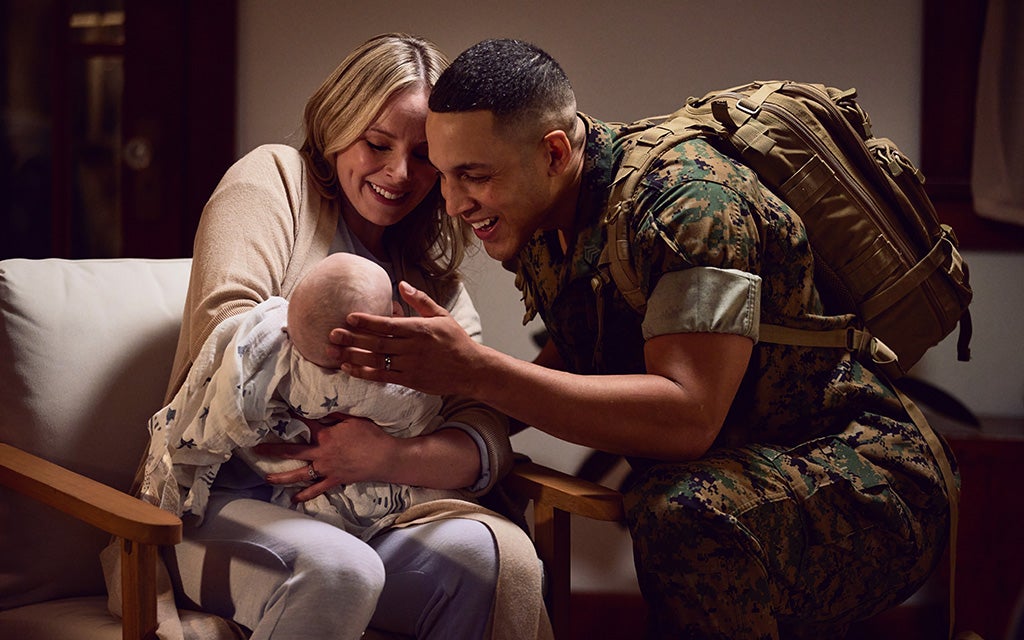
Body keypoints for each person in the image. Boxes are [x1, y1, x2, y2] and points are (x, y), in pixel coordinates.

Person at [330, 38, 958, 639]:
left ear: (553, 152)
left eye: (473, 175)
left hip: (864, 485)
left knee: (681, 512)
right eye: (443, 175)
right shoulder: (550, 214)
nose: (452, 201)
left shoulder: (689, 203)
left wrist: (474, 371)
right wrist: (412, 428)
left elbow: (689, 418)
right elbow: (582, 358)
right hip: (748, 483)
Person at [120, 33, 551, 640]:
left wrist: (385, 454)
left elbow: (481, 430)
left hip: (367, 508)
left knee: (490, 561)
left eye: (424, 155)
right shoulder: (274, 182)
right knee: (339, 569)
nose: (399, 174)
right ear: (336, 124)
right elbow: (223, 336)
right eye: (377, 143)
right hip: (215, 504)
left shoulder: (433, 281)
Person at [141, 252, 462, 542]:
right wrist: (400, 364)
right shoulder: (369, 386)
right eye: (390, 308)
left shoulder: (272, 353)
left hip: (286, 492)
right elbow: (425, 408)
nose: (397, 310)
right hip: (316, 495)